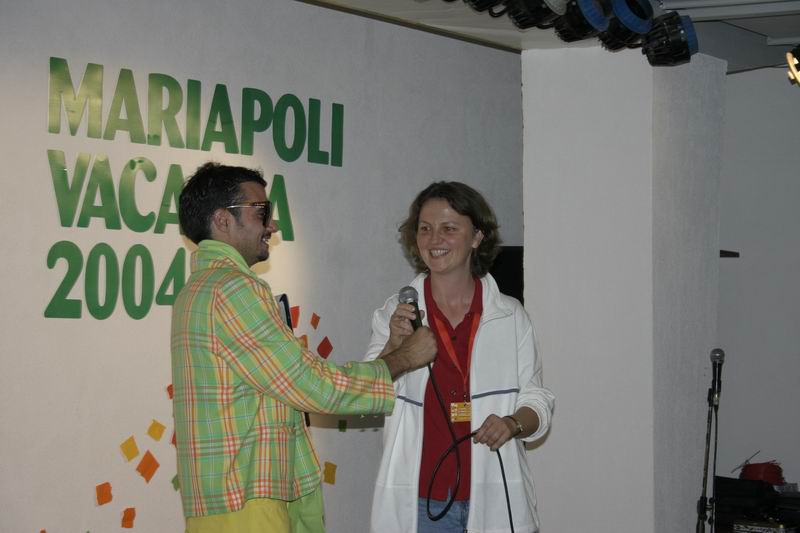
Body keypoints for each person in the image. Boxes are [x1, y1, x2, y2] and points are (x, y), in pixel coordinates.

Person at [171, 162, 437, 533]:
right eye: (261, 212)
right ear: (223, 220)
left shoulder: (200, 289)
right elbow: (313, 386)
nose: (272, 226)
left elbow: (286, 387)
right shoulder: (233, 289)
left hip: (231, 502)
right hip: (245, 504)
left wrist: (391, 354)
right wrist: (405, 358)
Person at [365, 181, 555, 533]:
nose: (434, 240)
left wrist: (512, 423)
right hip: (420, 505)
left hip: (495, 499)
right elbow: (366, 396)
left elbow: (537, 400)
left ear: (477, 237)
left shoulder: (510, 316)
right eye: (425, 228)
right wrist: (395, 346)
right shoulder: (396, 314)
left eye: (449, 228)